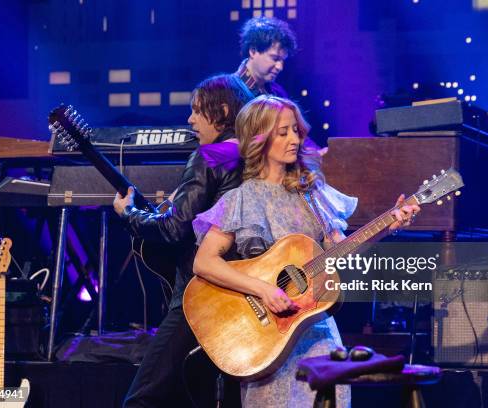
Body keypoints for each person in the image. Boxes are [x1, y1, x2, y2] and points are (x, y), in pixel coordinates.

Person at [192, 95, 420, 407]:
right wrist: (262, 289)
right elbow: (204, 262)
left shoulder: (312, 195)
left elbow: (342, 251)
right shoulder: (241, 199)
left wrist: (388, 225)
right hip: (265, 335)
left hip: (315, 329)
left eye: (296, 130)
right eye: (283, 132)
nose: (294, 139)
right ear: (259, 138)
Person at [113, 74, 254, 407]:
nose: (190, 119)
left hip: (201, 291)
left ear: (221, 111)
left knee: (142, 397)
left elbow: (173, 229)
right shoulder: (255, 157)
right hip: (246, 292)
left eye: (197, 111)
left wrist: (129, 214)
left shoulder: (210, 156)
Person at [235, 17, 297, 98]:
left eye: (282, 60)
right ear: (253, 51)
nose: (280, 67)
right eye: (275, 58)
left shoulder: (278, 93)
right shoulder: (226, 91)